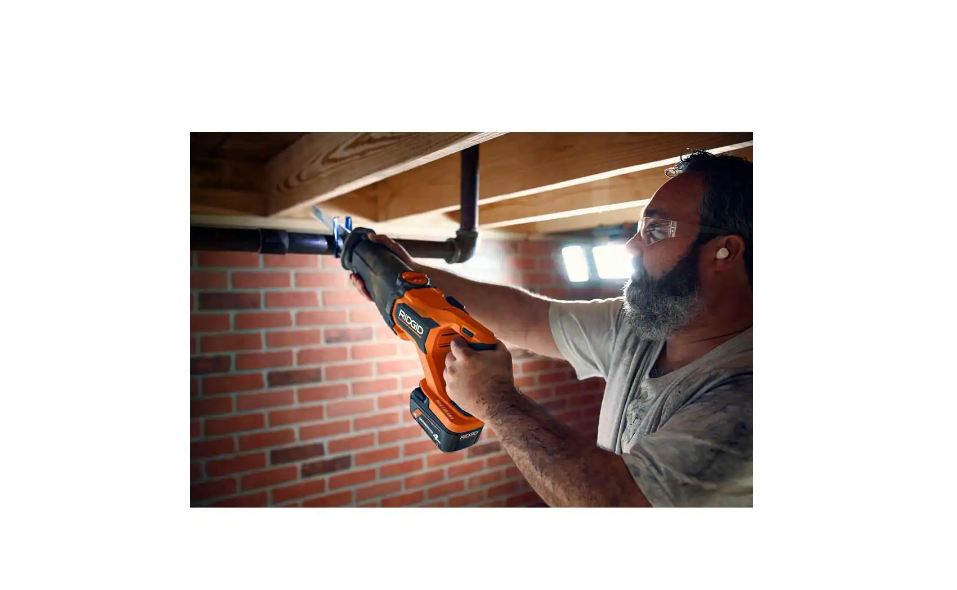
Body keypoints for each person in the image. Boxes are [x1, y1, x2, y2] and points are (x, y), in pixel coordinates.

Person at [349, 150, 753, 507]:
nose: (632, 246)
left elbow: (619, 506)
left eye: (656, 230)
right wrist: (408, 275)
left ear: (726, 251)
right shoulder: (639, 329)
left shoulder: (745, 396)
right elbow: (527, 316)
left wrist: (496, 401)